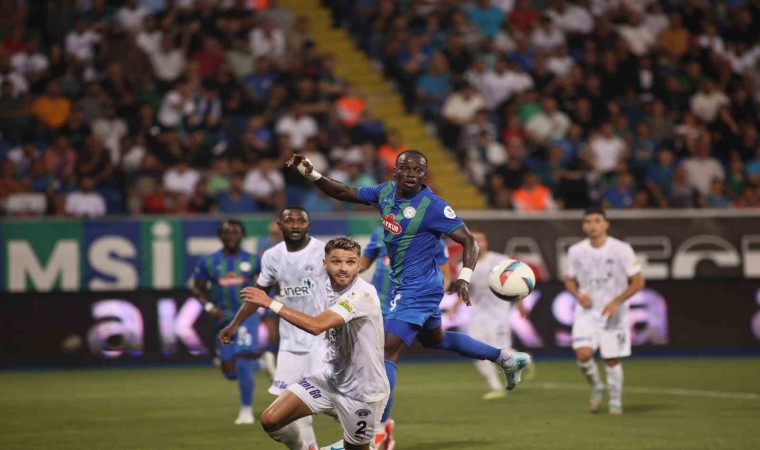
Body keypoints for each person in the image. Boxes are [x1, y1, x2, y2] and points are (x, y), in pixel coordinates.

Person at [287, 150, 532, 448]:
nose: (413, 174)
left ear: (424, 175)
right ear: (396, 171)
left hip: (419, 290)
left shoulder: (434, 206)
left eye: (419, 170)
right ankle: (506, 358)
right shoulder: (385, 192)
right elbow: (343, 192)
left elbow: (469, 241)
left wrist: (464, 277)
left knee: (385, 354)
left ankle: (375, 432)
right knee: (435, 339)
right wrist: (312, 174)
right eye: (407, 168)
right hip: (402, 286)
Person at [220, 237, 389, 450]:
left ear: (359, 265)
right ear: (324, 263)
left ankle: (373, 443)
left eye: (350, 262)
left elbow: (317, 326)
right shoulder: (326, 288)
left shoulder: (361, 293)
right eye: (336, 261)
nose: (343, 268)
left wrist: (270, 302)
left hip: (363, 390)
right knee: (271, 420)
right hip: (330, 378)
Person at [222, 207, 329, 447]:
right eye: (289, 220)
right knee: (291, 408)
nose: (295, 225)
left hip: (321, 340)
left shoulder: (323, 251)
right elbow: (259, 295)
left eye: (301, 221)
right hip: (289, 343)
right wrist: (235, 324)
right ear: (279, 226)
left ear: (309, 225)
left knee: (328, 401)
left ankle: (368, 433)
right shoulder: (271, 256)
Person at [563, 208, 645, 415]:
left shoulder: (621, 249)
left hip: (614, 313)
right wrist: (577, 295)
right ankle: (597, 386)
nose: (593, 225)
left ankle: (615, 401)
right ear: (583, 226)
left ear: (606, 224)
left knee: (612, 359)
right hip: (587, 311)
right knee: (583, 354)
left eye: (597, 220)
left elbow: (638, 281)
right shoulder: (576, 251)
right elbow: (569, 279)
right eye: (588, 221)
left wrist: (616, 301)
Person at [192, 219, 274, 425]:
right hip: (222, 319)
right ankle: (261, 362)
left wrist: (264, 306)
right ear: (220, 236)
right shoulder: (208, 262)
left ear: (242, 235)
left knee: (242, 361)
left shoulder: (254, 260)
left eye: (235, 232)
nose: (231, 236)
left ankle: (246, 411)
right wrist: (209, 307)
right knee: (229, 372)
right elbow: (197, 288)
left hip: (247, 317)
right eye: (227, 232)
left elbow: (269, 284)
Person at [449, 231, 529, 400]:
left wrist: (521, 304)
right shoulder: (464, 266)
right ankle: (496, 387)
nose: (478, 243)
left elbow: (516, 282)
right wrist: (454, 306)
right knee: (474, 350)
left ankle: (521, 360)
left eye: (480, 240)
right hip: (479, 314)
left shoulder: (500, 260)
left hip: (500, 313)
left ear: (486, 242)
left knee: (501, 350)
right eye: (473, 240)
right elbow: (469, 289)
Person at [361, 225, 452, 318]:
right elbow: (362, 265)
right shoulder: (381, 232)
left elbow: (445, 278)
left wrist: (428, 300)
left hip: (414, 311)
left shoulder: (433, 239)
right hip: (379, 309)